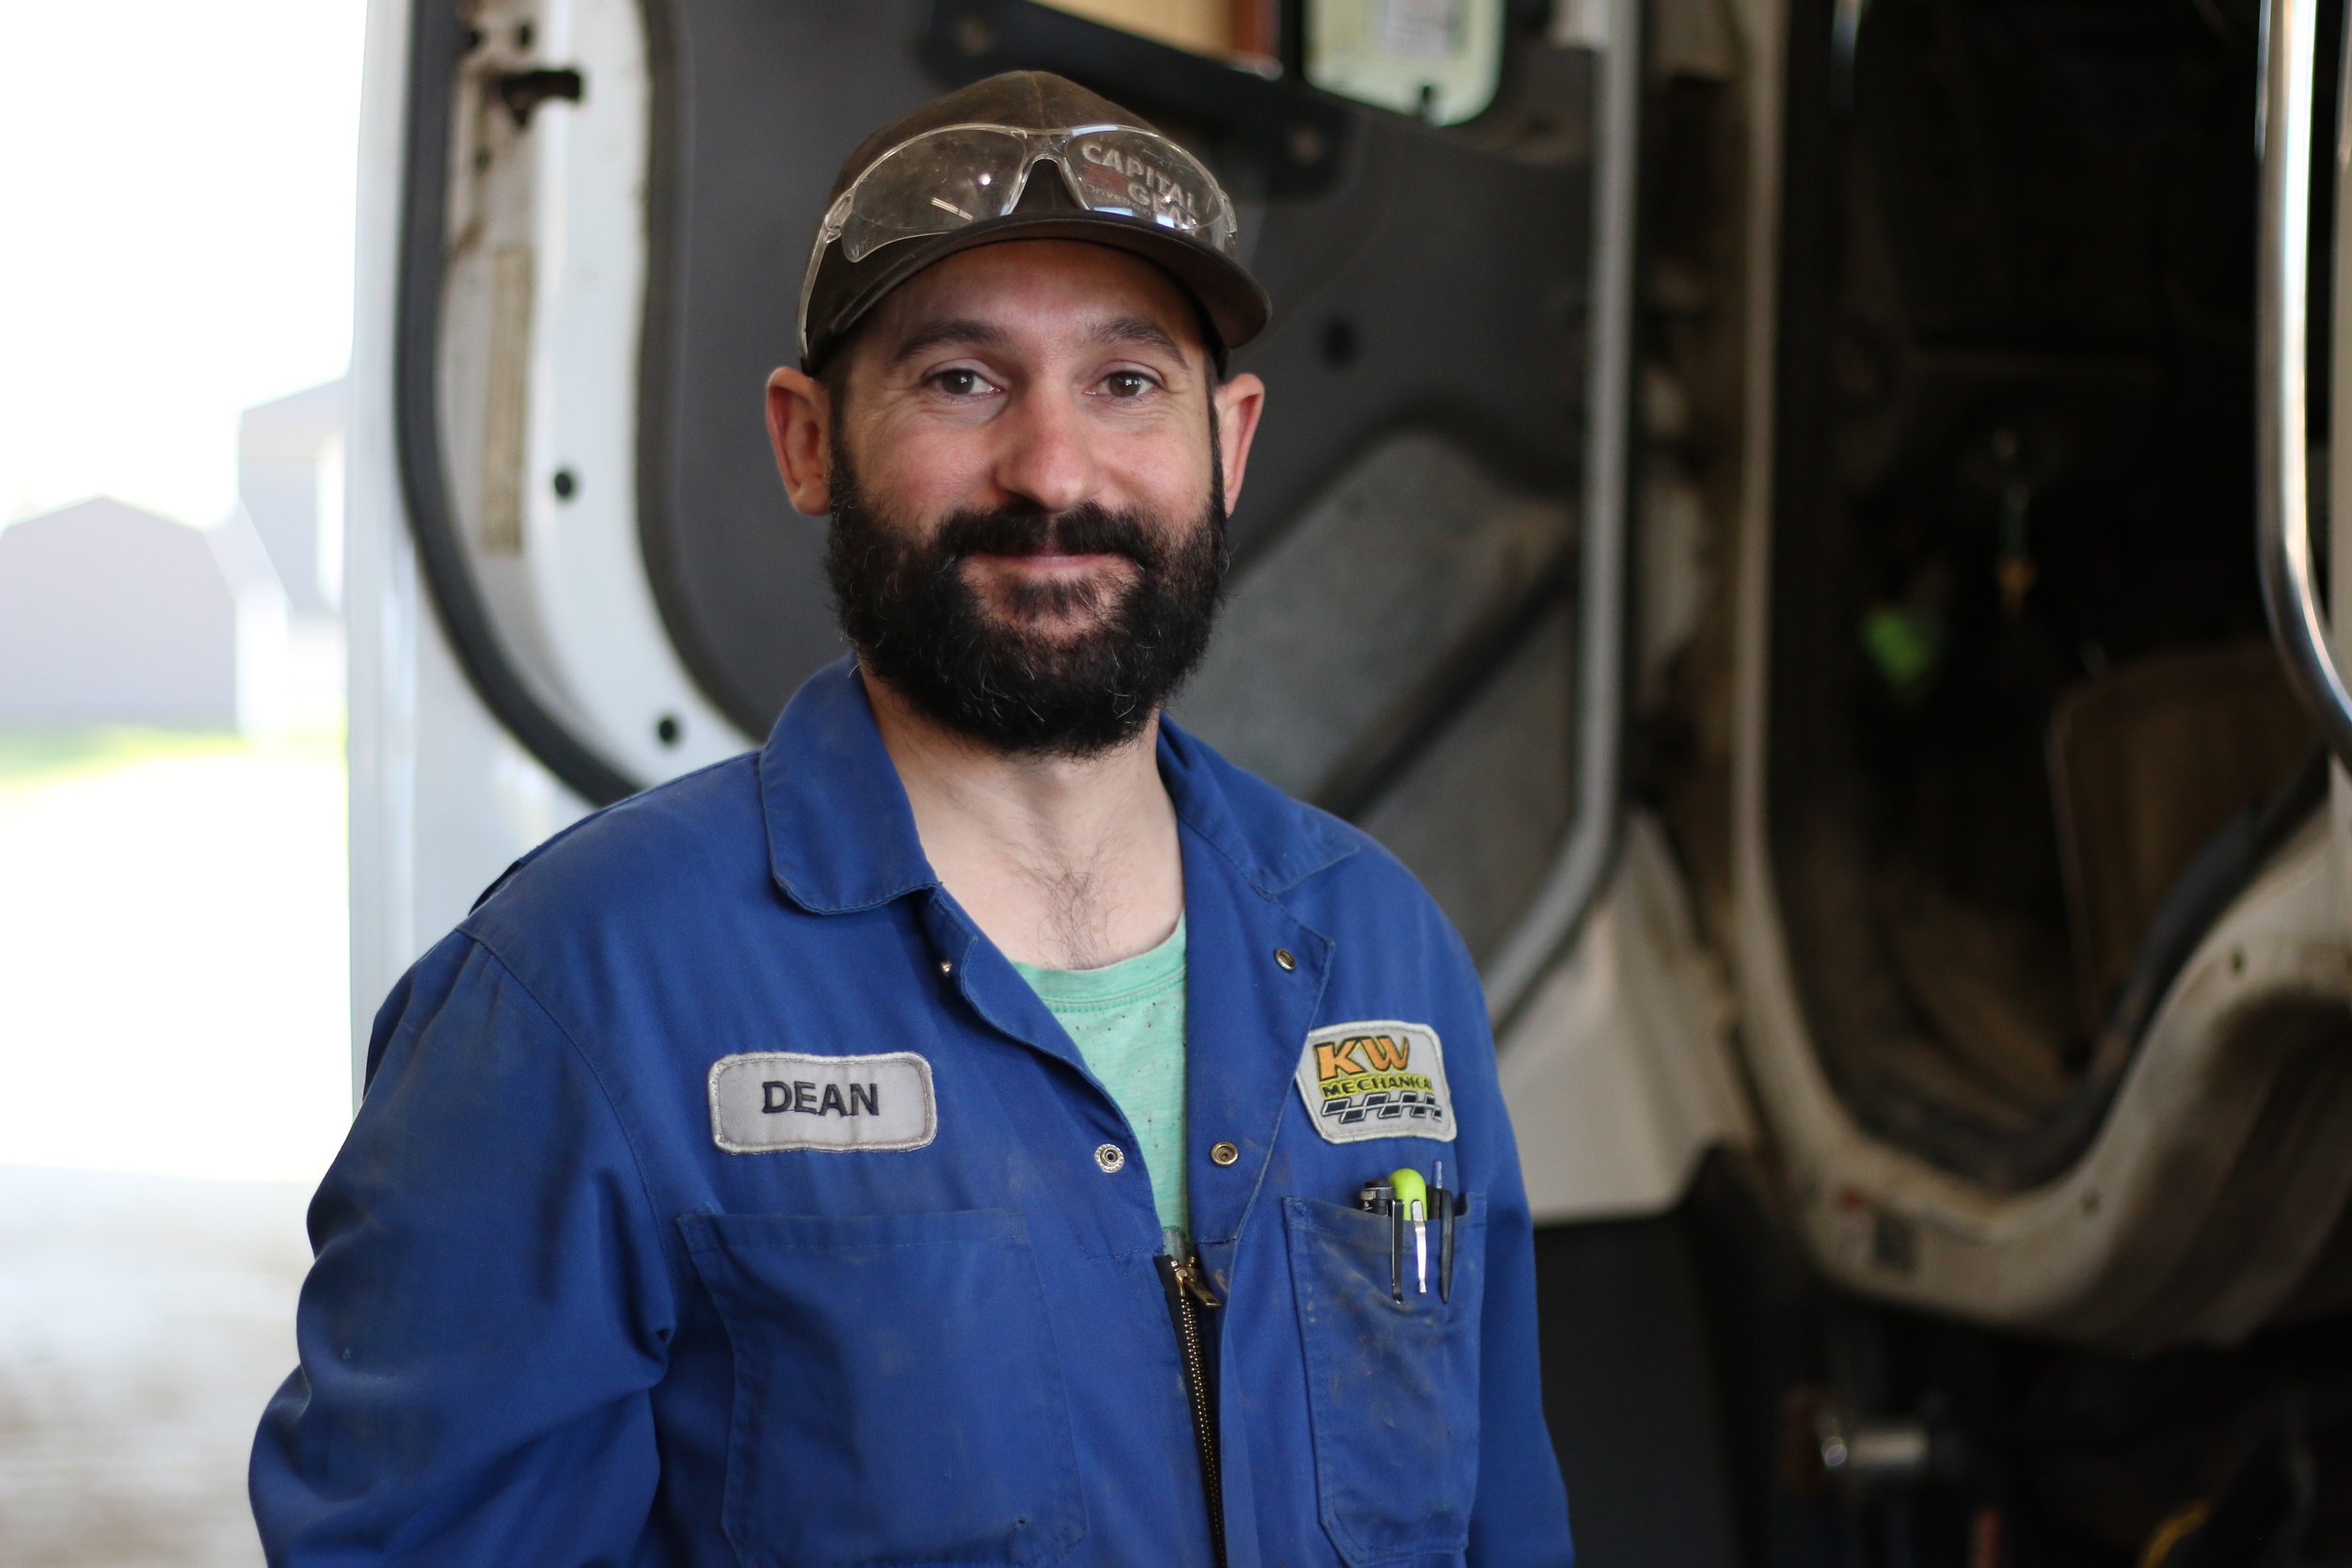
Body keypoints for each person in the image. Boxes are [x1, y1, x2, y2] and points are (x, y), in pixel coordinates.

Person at [251, 69, 1575, 1568]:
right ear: (808, 441)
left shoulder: (1382, 956)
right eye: (961, 379)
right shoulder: (579, 993)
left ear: (1233, 442)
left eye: (1126, 383)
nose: (1052, 470)